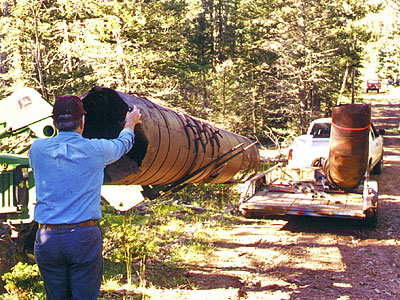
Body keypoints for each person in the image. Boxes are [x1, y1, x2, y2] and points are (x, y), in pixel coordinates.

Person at [29, 95, 141, 300]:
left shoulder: (37, 149)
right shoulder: (96, 150)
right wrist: (130, 123)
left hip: (47, 239)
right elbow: (123, 144)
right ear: (82, 121)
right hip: (82, 237)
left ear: (54, 122)